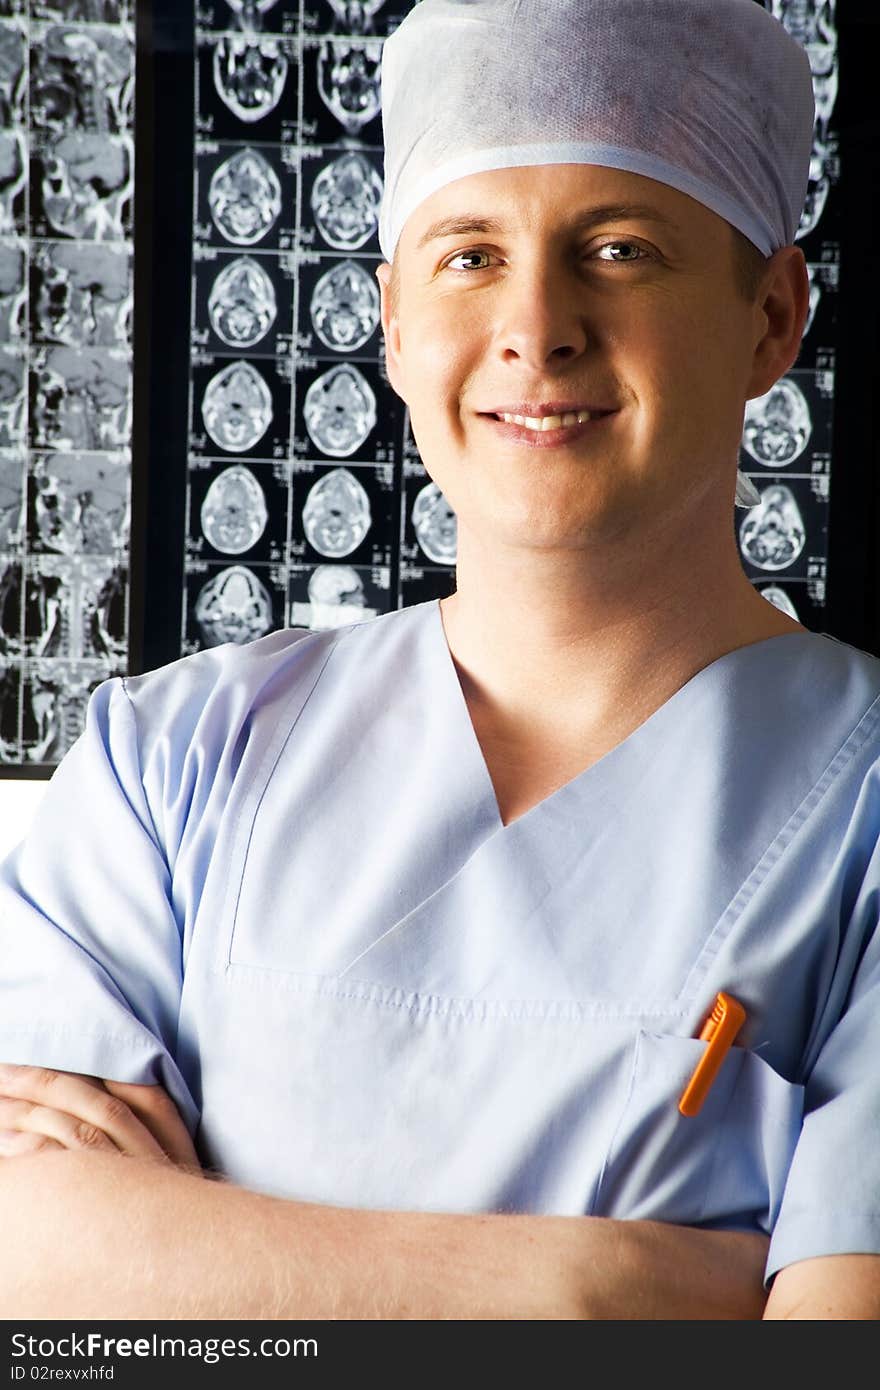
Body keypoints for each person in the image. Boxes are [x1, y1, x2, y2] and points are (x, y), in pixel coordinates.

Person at [2, 0, 879, 1320]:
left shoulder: (858, 808)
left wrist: (191, 1262)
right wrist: (595, 1283)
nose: (537, 326)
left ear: (772, 316)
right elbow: (38, 1295)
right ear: (396, 325)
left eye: (620, 248)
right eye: (469, 257)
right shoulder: (171, 764)